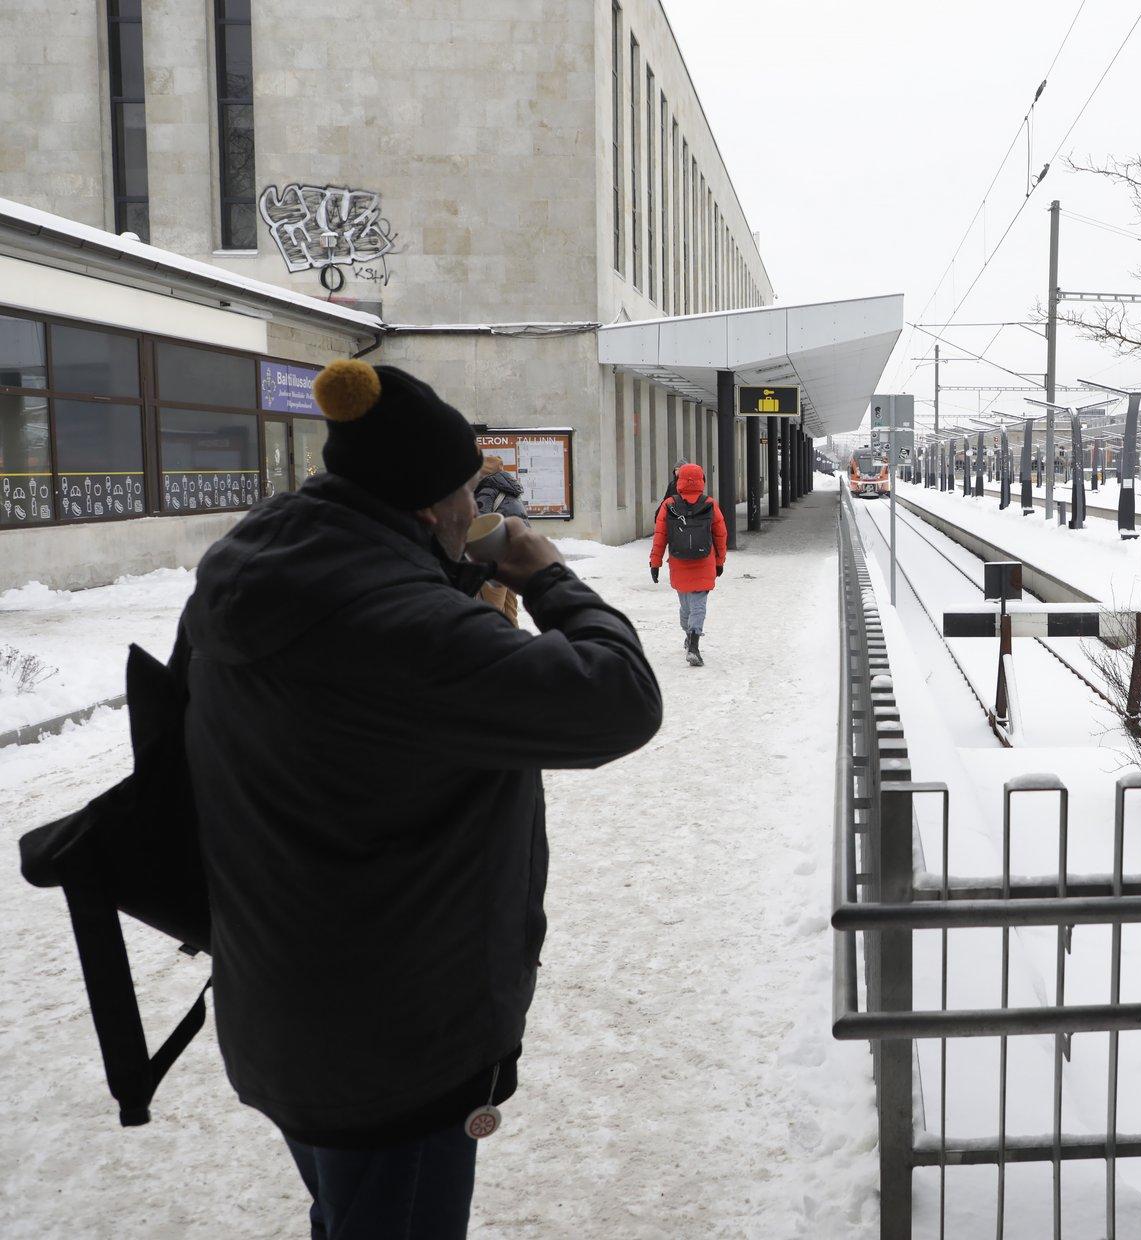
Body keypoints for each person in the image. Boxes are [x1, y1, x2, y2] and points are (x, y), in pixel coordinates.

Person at [176, 358, 662, 1240]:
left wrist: (447, 578)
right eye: (468, 491)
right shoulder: (406, 632)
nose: (478, 506)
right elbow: (619, 699)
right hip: (395, 1045)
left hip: (286, 1001)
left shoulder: (255, 568)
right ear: (432, 507)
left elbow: (359, 676)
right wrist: (547, 577)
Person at [648, 461, 728, 667]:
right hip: (704, 561)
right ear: (702, 480)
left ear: (679, 481)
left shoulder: (669, 504)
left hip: (679, 562)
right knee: (698, 605)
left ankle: (689, 635)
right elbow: (720, 535)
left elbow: (660, 536)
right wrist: (719, 561)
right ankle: (693, 643)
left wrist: (655, 563)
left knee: (685, 606)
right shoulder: (709, 504)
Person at [473, 456, 530, 624]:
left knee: (492, 613)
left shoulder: (487, 490)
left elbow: (479, 525)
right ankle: (514, 640)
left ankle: (496, 640)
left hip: (496, 559)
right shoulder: (510, 489)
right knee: (509, 611)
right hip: (516, 556)